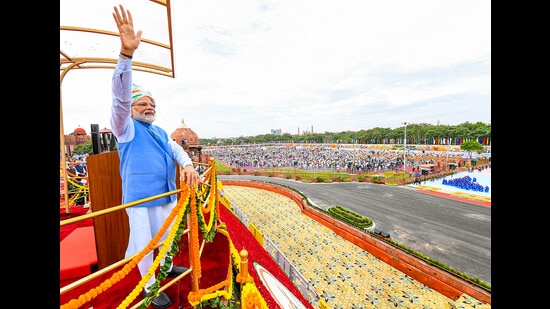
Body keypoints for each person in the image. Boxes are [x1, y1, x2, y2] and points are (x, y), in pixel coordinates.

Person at [111, 5, 200, 309]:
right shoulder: (126, 128)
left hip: (165, 196)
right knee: (145, 246)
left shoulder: (160, 131)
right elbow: (120, 99)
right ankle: (150, 288)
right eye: (144, 104)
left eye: (153, 104)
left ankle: (164, 269)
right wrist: (126, 56)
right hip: (140, 200)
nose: (150, 107)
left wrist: (187, 165)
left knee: (166, 238)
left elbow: (176, 150)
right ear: (133, 108)